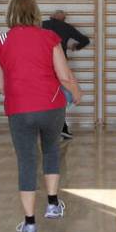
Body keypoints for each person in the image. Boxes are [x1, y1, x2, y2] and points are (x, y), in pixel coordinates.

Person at [0, 0, 82, 232]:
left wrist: (17, 90)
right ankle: (52, 204)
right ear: (35, 12)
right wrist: (76, 92)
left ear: (10, 12)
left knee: (27, 161)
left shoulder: (2, 40)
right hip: (51, 106)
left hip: (19, 108)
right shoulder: (49, 37)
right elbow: (64, 75)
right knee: (51, 151)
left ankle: (30, 223)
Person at [41, 9, 90, 139]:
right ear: (64, 19)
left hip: (42, 66)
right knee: (60, 97)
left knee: (42, 96)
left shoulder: (41, 25)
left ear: (51, 17)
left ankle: (47, 128)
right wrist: (75, 47)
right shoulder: (67, 27)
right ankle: (61, 128)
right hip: (59, 66)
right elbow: (85, 40)